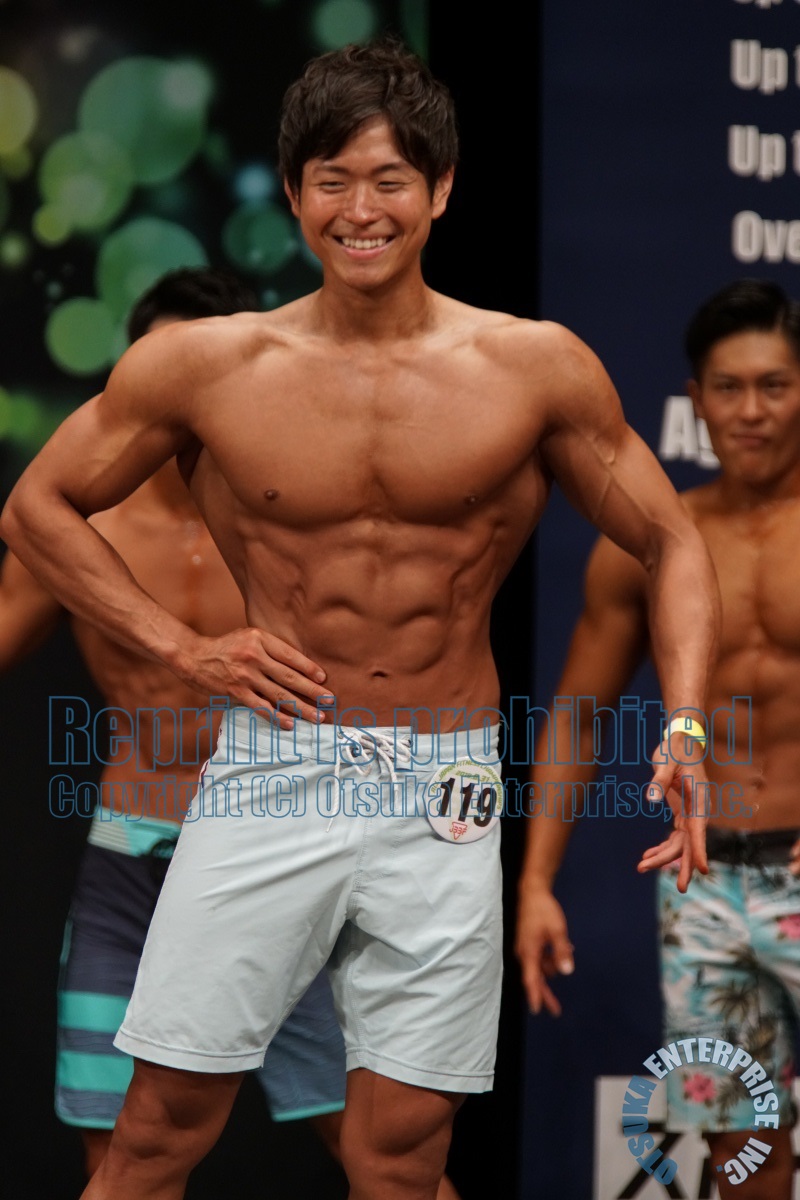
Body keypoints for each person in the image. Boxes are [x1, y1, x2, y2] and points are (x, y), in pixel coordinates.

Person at [2, 39, 718, 1200]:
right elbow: (36, 507)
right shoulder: (209, 366)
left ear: (440, 189)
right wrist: (182, 646)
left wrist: (682, 729)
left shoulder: (532, 369)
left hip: (443, 787)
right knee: (155, 1136)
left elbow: (670, 539)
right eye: (331, 180)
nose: (360, 210)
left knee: (400, 1159)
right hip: (275, 765)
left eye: (389, 179)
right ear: (293, 196)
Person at [0, 268, 348, 1178]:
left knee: (384, 1153)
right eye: (162, 368)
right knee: (116, 1147)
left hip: (279, 852)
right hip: (132, 861)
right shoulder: (75, 530)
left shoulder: (297, 523)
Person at [516, 279, 800, 1198]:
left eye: (774, 385)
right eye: (729, 388)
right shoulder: (653, 545)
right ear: (695, 399)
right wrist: (535, 881)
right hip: (704, 884)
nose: (751, 410)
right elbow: (577, 714)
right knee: (741, 1150)